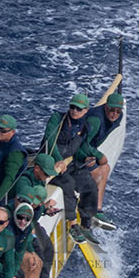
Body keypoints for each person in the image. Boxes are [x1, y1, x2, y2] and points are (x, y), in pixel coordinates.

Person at [40, 92, 99, 241]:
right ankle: (73, 225)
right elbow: (49, 139)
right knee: (68, 183)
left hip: (70, 164)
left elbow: (81, 148)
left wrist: (86, 158)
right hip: (52, 165)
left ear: (86, 110)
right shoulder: (57, 119)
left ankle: (86, 224)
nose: (75, 111)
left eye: (79, 109)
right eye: (72, 107)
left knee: (89, 182)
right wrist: (58, 160)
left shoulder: (86, 127)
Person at [83, 91, 125, 227]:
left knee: (105, 168)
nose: (114, 114)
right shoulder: (95, 120)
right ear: (105, 107)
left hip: (89, 151)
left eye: (118, 111)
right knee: (96, 175)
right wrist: (98, 155)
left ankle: (98, 209)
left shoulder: (118, 117)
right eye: (112, 109)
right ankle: (86, 213)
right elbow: (82, 143)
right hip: (78, 152)